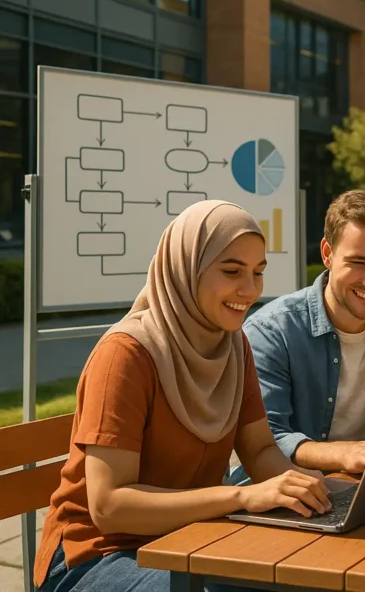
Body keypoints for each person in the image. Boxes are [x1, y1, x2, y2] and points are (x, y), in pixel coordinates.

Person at [34, 200, 332, 592]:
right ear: (186, 268)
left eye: (258, 272)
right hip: (95, 555)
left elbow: (260, 450)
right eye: (232, 271)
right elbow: (110, 506)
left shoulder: (233, 347)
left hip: (188, 539)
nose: (250, 289)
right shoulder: (125, 354)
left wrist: (310, 491)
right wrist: (241, 497)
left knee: (305, 573)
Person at [227, 189, 365, 484]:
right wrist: (342, 454)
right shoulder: (271, 331)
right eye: (358, 262)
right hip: (289, 487)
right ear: (327, 254)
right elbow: (267, 441)